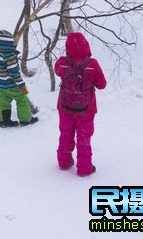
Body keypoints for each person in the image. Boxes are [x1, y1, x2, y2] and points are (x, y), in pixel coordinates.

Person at [55, 31, 106, 177]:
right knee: (84, 138)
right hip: (86, 109)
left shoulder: (62, 63)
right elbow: (102, 85)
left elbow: (58, 72)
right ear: (86, 46)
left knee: (65, 134)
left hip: (65, 107)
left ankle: (64, 162)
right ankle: (84, 169)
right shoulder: (92, 64)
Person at [0, 29, 38, 128]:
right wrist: (22, 85)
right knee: (22, 99)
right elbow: (14, 73)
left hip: (0, 84)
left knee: (4, 102)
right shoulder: (10, 57)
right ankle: (25, 119)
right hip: (12, 85)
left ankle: (4, 121)